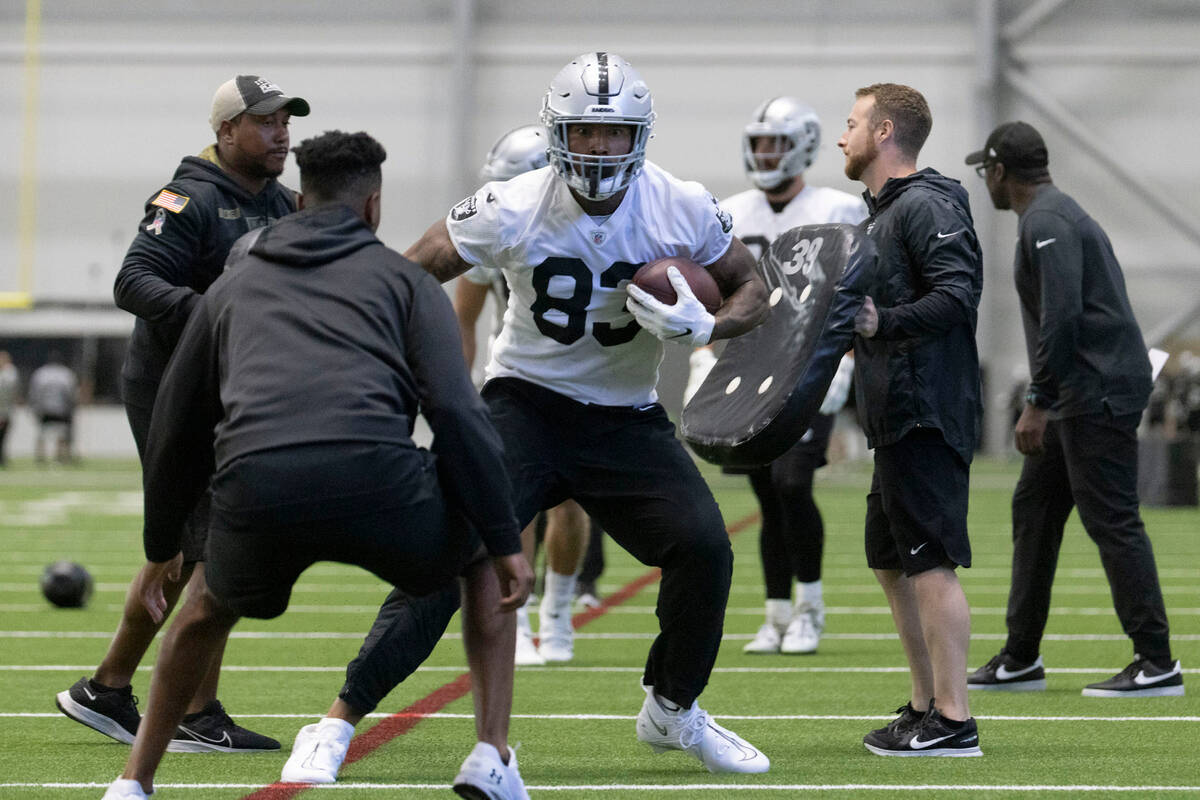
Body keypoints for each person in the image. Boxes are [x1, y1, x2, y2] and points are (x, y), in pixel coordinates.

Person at [287, 53, 772, 783]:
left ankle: (672, 709)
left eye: (615, 135)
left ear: (640, 137)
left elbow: (752, 288)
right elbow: (411, 273)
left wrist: (708, 329)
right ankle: (337, 721)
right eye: (585, 131)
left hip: (625, 417)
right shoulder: (511, 204)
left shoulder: (680, 202)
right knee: (441, 557)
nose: (600, 149)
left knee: (705, 548)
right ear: (556, 132)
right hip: (523, 406)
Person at [100, 130, 534, 800]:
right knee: (474, 555)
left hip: (260, 487)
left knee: (204, 607)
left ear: (300, 200)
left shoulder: (232, 284)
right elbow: (458, 413)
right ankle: (489, 753)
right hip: (380, 481)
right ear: (373, 206)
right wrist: (504, 540)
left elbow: (176, 427)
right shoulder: (403, 282)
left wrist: (163, 549)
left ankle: (134, 782)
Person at [57, 75, 308, 754]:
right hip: (173, 386)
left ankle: (107, 687)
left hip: (232, 391)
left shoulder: (285, 203)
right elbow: (133, 281)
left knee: (179, 549)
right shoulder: (191, 197)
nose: (281, 132)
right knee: (213, 543)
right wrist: (211, 315)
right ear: (226, 130)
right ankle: (196, 711)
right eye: (264, 121)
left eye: (286, 120)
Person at [965, 121, 1183, 697]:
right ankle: (1020, 658)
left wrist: (1036, 402)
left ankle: (1157, 662)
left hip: (1093, 392)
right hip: (1080, 392)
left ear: (999, 171)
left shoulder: (1047, 222)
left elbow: (1062, 317)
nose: (985, 180)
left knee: (1112, 520)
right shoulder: (1051, 215)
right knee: (1034, 513)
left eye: (984, 170)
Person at [689, 96, 866, 655]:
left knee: (793, 482)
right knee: (769, 494)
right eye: (760, 143)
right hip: (751, 362)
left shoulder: (838, 207)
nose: (767, 153)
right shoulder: (733, 209)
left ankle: (810, 608)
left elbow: (862, 283)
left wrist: (850, 357)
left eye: (778, 144)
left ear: (805, 147)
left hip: (813, 359)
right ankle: (776, 613)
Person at [837, 83, 983, 756]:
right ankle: (924, 704)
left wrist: (883, 320)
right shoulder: (880, 213)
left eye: (852, 123)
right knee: (890, 561)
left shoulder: (924, 204)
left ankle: (954, 720)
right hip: (892, 415)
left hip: (926, 411)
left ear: (885, 131)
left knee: (929, 562)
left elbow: (958, 293)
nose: (843, 137)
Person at [454, 123, 596, 666]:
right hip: (515, 377)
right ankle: (516, 618)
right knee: (517, 504)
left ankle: (558, 613)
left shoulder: (596, 223)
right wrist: (461, 394)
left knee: (574, 503)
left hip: (584, 377)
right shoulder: (500, 225)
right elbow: (463, 320)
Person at [28, 350, 79, 464]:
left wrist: (34, 409)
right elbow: (71, 394)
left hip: (44, 410)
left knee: (41, 433)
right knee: (62, 434)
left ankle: (40, 457)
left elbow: (34, 393)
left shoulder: (40, 373)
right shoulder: (66, 374)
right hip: (62, 411)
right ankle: (60, 457)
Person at [0, 351, 19, 466]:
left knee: (3, 437)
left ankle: (2, 458)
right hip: (5, 410)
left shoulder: (9, 373)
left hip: (5, 410)